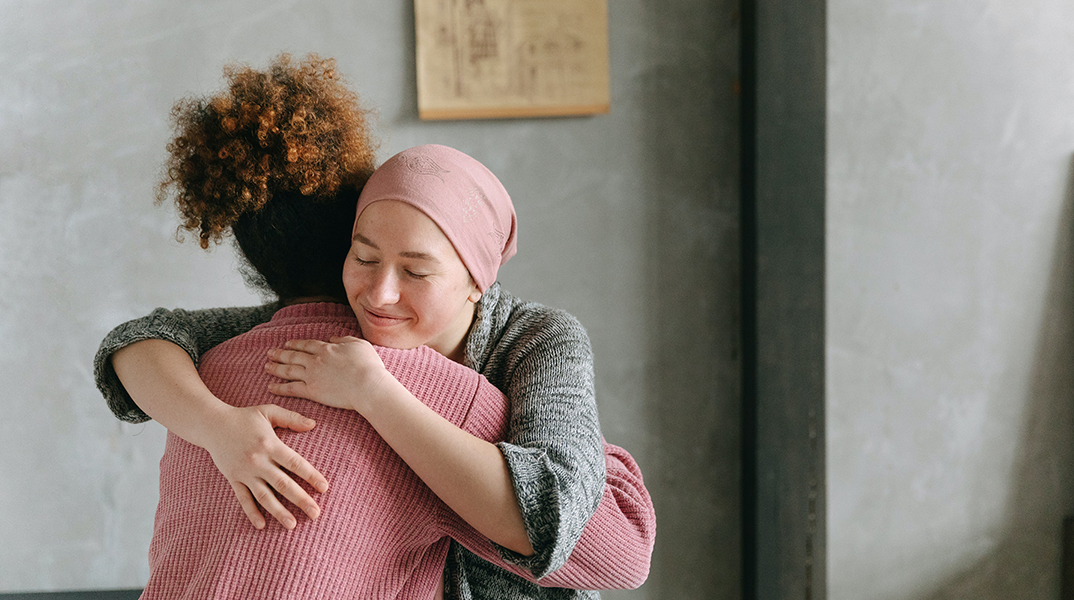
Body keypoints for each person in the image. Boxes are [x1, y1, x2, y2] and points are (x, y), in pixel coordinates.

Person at [96, 56, 654, 599]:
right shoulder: (331, 332)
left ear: (476, 282)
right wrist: (219, 426)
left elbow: (585, 529)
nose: (380, 294)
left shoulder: (537, 340)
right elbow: (142, 340)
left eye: (416, 271)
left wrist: (376, 393)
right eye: (363, 258)